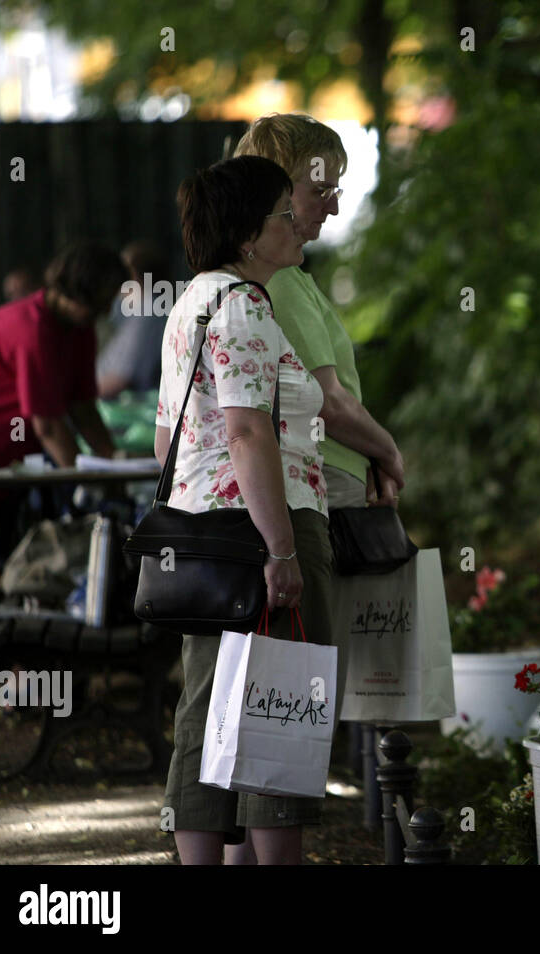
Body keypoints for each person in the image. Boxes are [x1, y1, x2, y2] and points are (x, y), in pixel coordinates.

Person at [156, 154, 331, 866]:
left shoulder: (191, 301)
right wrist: (281, 549)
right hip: (261, 528)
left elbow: (169, 437)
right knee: (276, 705)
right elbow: (247, 429)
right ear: (249, 236)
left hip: (200, 535)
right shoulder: (246, 306)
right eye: (283, 216)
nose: (298, 226)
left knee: (207, 705)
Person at [232, 114, 406, 718]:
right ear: (275, 193)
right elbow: (329, 404)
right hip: (316, 486)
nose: (332, 206)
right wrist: (387, 450)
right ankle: (306, 799)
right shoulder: (275, 282)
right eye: (319, 190)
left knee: (322, 668)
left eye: (336, 188)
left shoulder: (286, 277)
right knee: (317, 670)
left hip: (320, 479)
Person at [0, 242, 124, 600]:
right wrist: (89, 485)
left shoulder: (78, 330)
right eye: (99, 300)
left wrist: (113, 468)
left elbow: (84, 409)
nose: (103, 311)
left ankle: (11, 643)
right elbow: (48, 424)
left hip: (11, 469)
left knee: (12, 572)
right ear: (76, 290)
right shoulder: (31, 328)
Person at [98, 240, 171, 398]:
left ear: (134, 276)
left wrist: (77, 396)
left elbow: (121, 379)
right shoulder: (136, 309)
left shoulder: (149, 311)